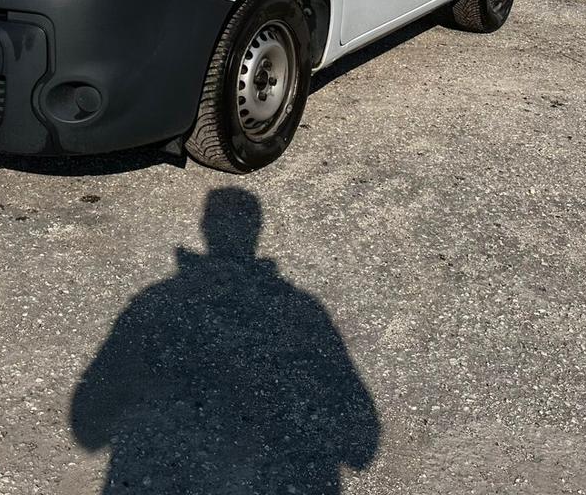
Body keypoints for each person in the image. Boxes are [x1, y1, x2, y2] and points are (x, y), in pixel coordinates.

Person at [71, 188, 381, 493]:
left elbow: (87, 426)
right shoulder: (300, 309)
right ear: (257, 231)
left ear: (204, 228)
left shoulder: (155, 302)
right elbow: (362, 445)